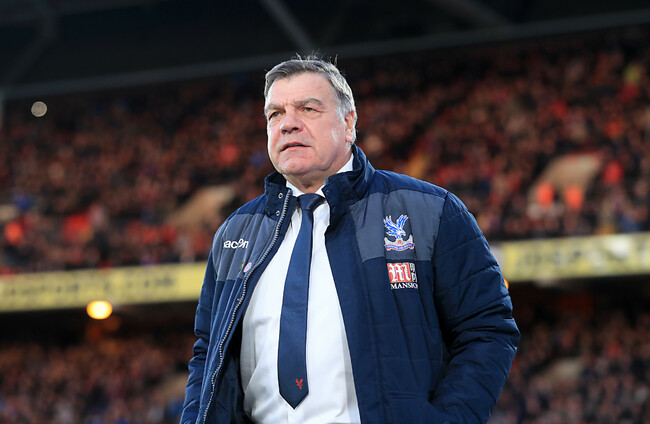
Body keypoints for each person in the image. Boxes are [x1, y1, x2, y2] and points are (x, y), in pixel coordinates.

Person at [181, 56, 519, 424]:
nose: (288, 123)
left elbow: (487, 329)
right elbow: (207, 354)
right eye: (275, 114)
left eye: (308, 109)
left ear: (348, 122)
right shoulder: (236, 232)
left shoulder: (431, 211)